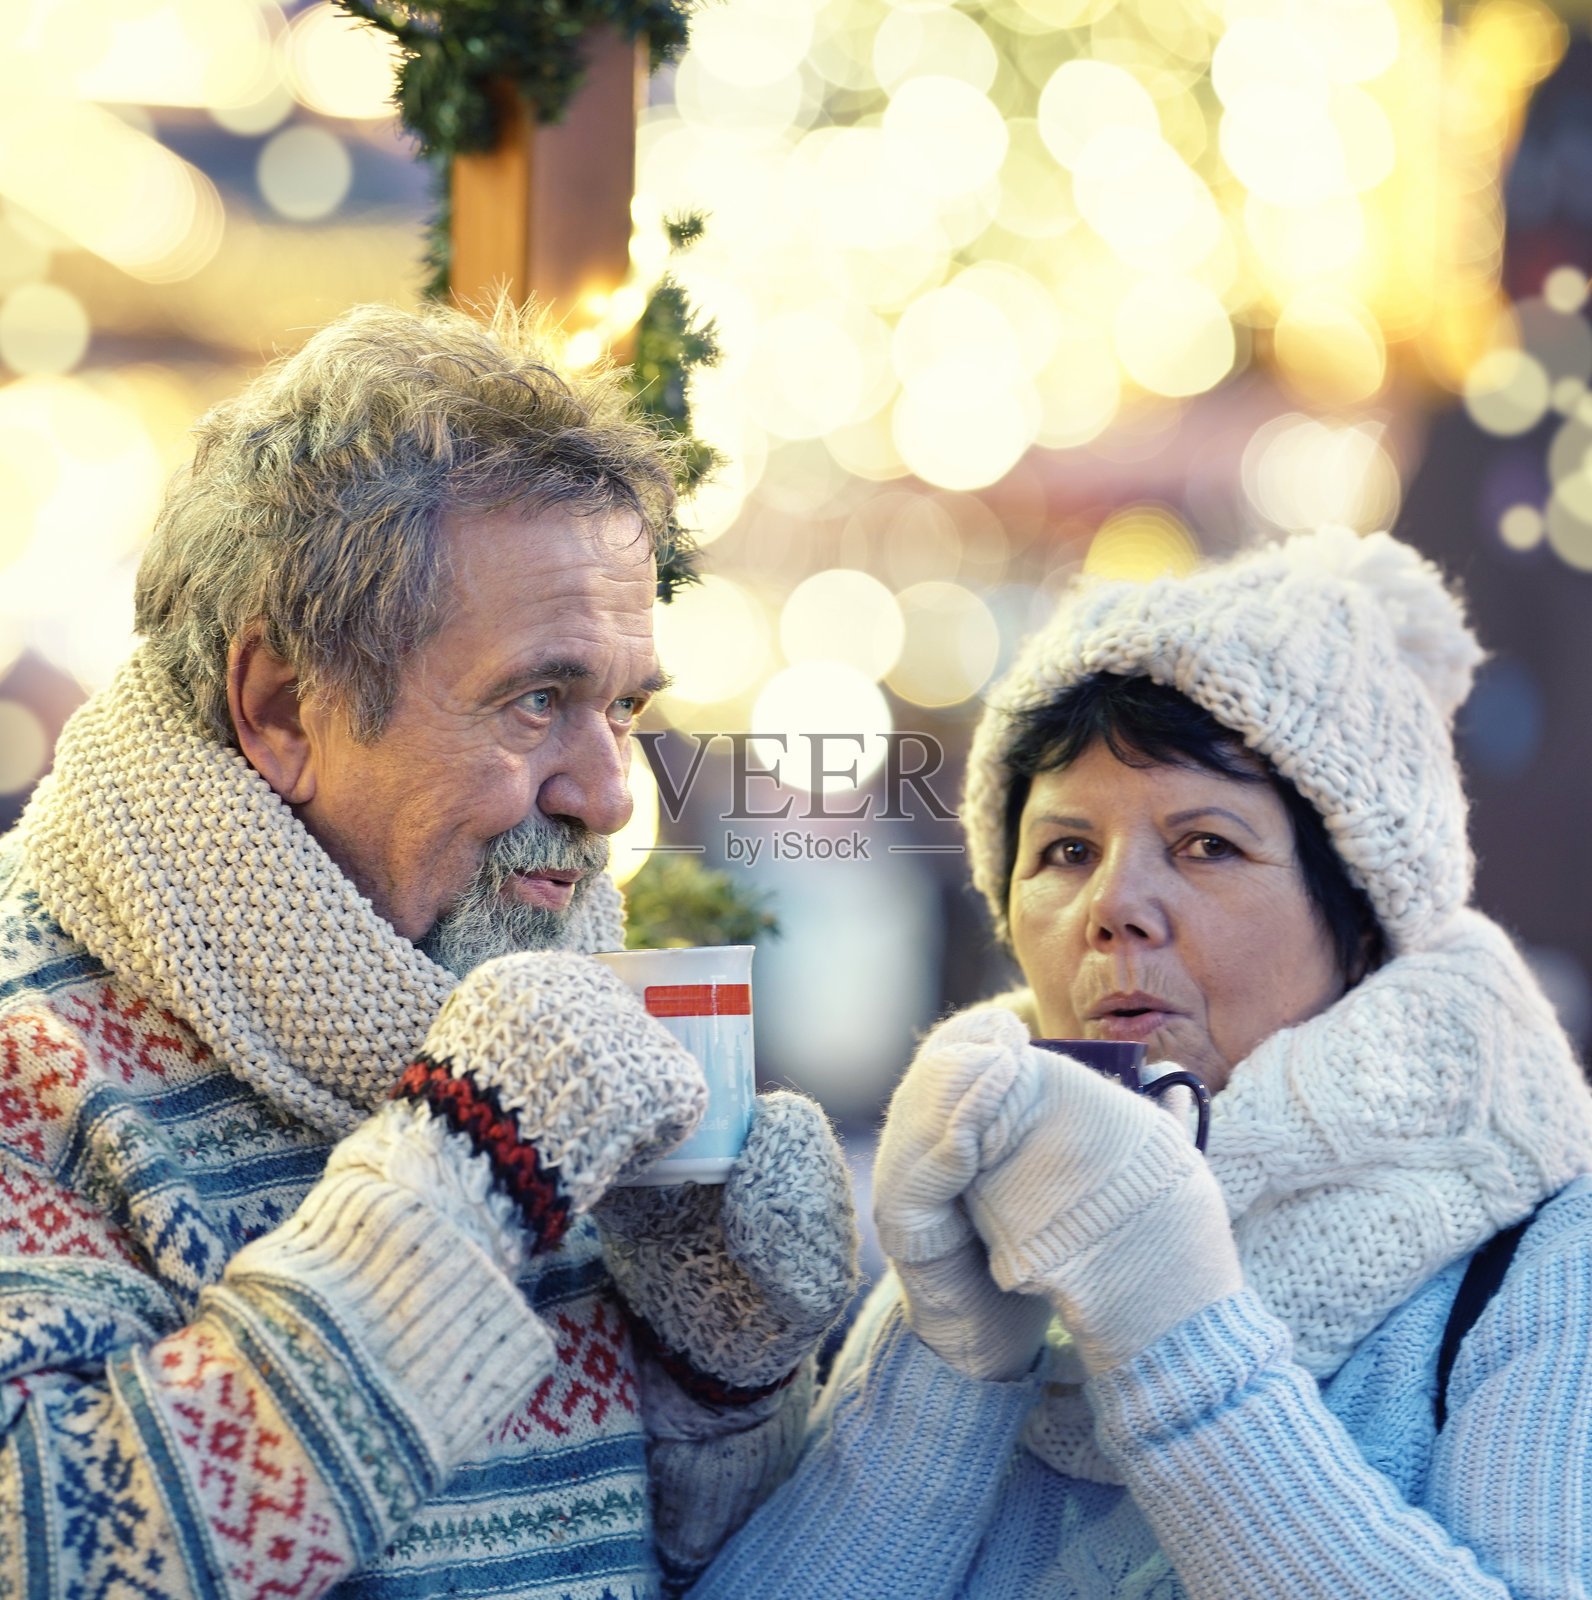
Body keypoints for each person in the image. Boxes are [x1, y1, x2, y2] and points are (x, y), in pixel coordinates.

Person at [0, 301, 857, 1600]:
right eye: (537, 700)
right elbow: (54, 1551)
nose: (612, 792)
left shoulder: (548, 1012)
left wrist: (723, 1379)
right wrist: (476, 1160)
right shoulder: (30, 1052)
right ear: (284, 708)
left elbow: (665, 1565)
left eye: (623, 707)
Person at [689, 526, 1592, 1599]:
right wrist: (950, 1361)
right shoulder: (997, 1185)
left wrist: (1170, 1326)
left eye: (1207, 844)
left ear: (1360, 916)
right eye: (1065, 851)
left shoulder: (1545, 1253)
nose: (1113, 907)